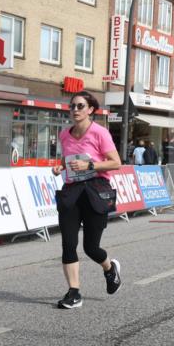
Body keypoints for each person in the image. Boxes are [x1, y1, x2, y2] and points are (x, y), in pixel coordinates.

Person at [51, 91, 123, 310]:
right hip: (72, 191)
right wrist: (60, 167)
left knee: (91, 247)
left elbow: (116, 162)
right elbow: (66, 158)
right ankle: (74, 292)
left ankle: (110, 268)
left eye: (80, 106)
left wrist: (90, 165)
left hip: (95, 190)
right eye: (72, 106)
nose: (75, 110)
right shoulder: (65, 134)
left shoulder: (100, 133)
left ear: (90, 109)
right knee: (68, 243)